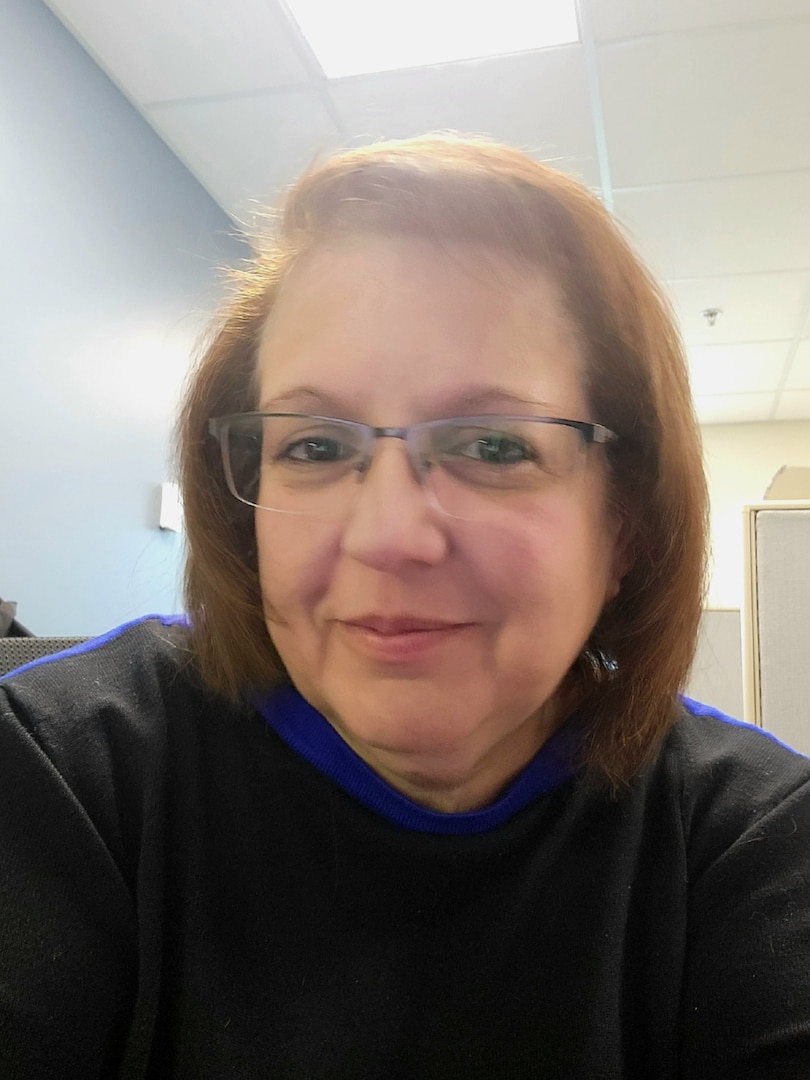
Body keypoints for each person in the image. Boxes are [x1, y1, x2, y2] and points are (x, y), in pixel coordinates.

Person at [1, 135, 808, 1079]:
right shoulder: (61, 773)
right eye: (312, 446)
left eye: (495, 446)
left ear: (624, 527)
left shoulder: (754, 840)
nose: (387, 535)